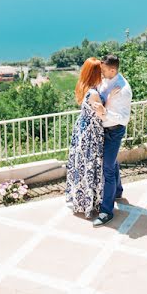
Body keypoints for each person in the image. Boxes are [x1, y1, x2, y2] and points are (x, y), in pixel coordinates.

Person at [89, 54, 132, 227]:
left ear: (112, 70)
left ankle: (106, 211)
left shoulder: (123, 89)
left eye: (104, 70)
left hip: (114, 131)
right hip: (104, 129)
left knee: (107, 168)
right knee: (111, 162)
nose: (101, 72)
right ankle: (118, 191)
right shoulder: (107, 80)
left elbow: (124, 118)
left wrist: (105, 113)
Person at [64, 57, 105, 216]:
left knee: (80, 165)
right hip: (91, 133)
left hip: (81, 130)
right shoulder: (94, 93)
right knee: (91, 165)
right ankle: (91, 203)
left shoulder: (84, 87)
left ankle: (80, 200)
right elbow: (102, 116)